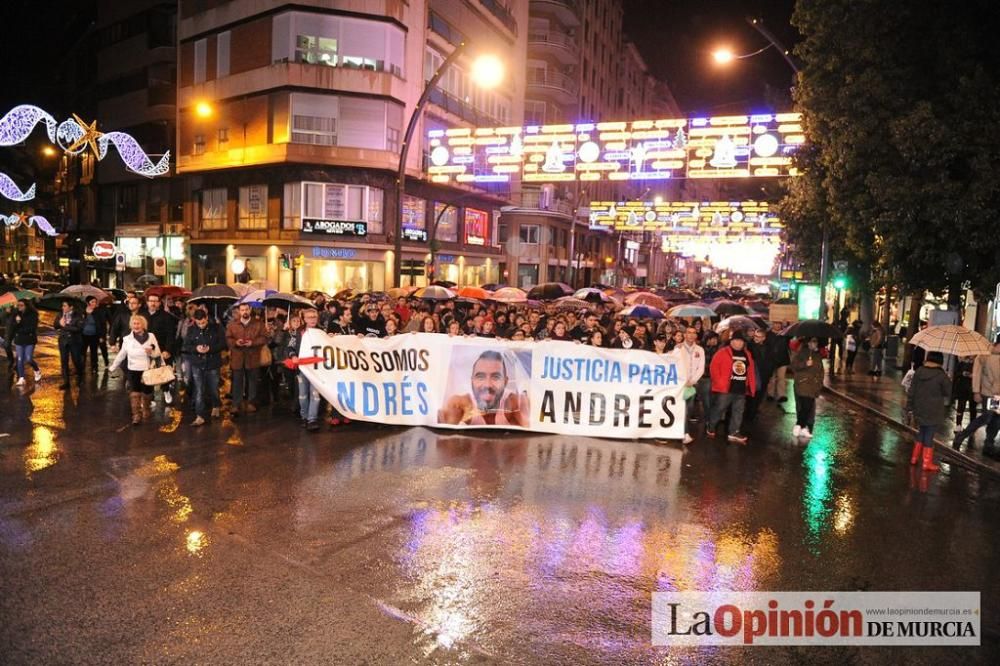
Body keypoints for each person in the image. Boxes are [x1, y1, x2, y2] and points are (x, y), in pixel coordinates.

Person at [438, 350, 530, 427]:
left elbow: (533, 430)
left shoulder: (515, 402)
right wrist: (450, 419)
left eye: (496, 377)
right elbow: (444, 435)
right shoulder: (460, 403)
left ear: (505, 382)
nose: (487, 385)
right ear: (472, 380)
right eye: (480, 377)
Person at [951, 337, 1000, 458]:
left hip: (997, 395)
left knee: (995, 419)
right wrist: (976, 391)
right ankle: (962, 435)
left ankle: (989, 445)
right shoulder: (983, 355)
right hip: (988, 392)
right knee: (987, 417)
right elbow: (977, 374)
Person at [705, 331, 756, 444]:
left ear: (743, 343)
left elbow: (750, 370)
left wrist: (750, 384)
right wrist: (719, 382)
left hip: (741, 388)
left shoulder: (747, 354)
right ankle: (711, 426)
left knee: (738, 411)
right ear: (731, 341)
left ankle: (734, 432)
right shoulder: (723, 352)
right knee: (719, 409)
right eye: (736, 340)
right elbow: (713, 368)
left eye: (740, 341)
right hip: (726, 388)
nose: (738, 343)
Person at [108, 315, 160, 426]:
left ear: (143, 325)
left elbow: (157, 353)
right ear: (131, 325)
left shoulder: (151, 336)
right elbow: (122, 354)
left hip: (147, 370)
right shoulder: (127, 339)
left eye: (138, 323)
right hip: (133, 369)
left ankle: (146, 408)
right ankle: (136, 415)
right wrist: (113, 367)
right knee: (135, 393)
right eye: (134, 324)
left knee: (147, 392)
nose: (136, 326)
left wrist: (151, 352)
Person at [906, 351, 951, 471]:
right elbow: (948, 392)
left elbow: (912, 390)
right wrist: (948, 379)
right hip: (934, 410)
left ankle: (914, 458)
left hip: (919, 407)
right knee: (929, 435)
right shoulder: (941, 375)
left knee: (921, 432)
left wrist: (909, 407)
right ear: (940, 361)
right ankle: (926, 463)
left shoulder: (919, 371)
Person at [182, 309, 226, 426]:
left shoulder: (216, 328)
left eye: (203, 322)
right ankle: (200, 415)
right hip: (197, 364)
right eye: (198, 323)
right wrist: (196, 349)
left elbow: (223, 344)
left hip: (213, 363)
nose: (201, 325)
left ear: (206, 318)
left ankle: (216, 405)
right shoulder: (191, 330)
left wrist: (210, 349)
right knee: (199, 390)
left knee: (213, 388)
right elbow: (186, 346)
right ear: (195, 321)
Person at [226, 303, 267, 416]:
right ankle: (236, 404)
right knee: (237, 381)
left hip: (253, 356)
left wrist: (252, 343)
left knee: (253, 381)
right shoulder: (232, 324)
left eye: (246, 309)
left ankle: (251, 402)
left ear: (250, 310)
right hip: (237, 356)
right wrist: (235, 342)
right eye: (242, 310)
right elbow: (228, 338)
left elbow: (264, 337)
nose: (244, 312)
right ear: (239, 311)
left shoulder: (258, 323)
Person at [143, 293, 179, 405]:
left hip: (161, 350)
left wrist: (168, 350)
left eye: (155, 301)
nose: (153, 303)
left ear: (159, 303)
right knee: (148, 372)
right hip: (145, 350)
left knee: (162, 371)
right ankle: (150, 397)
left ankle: (166, 390)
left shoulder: (166, 317)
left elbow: (170, 335)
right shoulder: (142, 315)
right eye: (151, 301)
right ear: (147, 302)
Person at [292, 308, 324, 432]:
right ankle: (304, 417)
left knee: (315, 395)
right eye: (309, 317)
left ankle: (312, 419)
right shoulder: (299, 332)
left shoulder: (321, 332)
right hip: (303, 368)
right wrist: (293, 356)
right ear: (304, 319)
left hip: (317, 369)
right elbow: (291, 346)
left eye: (314, 317)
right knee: (303, 395)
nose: (312, 319)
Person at [790, 337, 824, 439]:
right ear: (808, 343)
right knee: (805, 406)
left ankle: (803, 428)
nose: (814, 344)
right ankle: (798, 425)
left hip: (813, 385)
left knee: (808, 407)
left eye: (816, 342)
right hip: (803, 383)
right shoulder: (802, 353)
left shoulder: (818, 355)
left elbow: (821, 370)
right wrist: (805, 364)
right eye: (812, 342)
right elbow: (794, 366)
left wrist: (820, 383)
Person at [679, 326, 706, 445]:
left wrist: (693, 380)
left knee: (689, 408)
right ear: (684, 335)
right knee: (682, 408)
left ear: (696, 335)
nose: (691, 335)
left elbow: (701, 367)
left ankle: (682, 431)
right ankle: (684, 433)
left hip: (692, 385)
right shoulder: (678, 348)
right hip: (680, 384)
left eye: (693, 333)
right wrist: (683, 380)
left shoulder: (700, 350)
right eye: (688, 332)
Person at [54, 300, 85, 389]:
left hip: (75, 341)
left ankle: (80, 378)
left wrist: (65, 326)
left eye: (65, 306)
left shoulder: (78, 315)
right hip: (63, 341)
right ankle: (66, 382)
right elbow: (55, 325)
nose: (63, 308)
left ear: (71, 307)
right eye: (62, 306)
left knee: (76, 360)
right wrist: (59, 323)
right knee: (64, 361)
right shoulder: (60, 314)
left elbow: (79, 328)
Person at [11, 298, 40, 386]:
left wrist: (20, 329)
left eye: (21, 305)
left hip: (29, 340)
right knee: (19, 359)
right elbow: (13, 327)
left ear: (26, 306)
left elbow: (32, 328)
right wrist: (17, 322)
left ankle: (37, 370)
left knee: (28, 359)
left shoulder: (33, 314)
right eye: (18, 305)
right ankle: (21, 378)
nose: (19, 307)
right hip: (19, 340)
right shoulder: (16, 314)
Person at [80, 296, 109, 372]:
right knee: (82, 352)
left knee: (94, 351)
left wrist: (102, 336)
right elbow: (79, 323)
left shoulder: (98, 312)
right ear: (88, 303)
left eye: (95, 302)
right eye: (92, 302)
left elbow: (103, 325)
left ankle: (94, 367)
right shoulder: (82, 311)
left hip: (95, 335)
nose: (94, 303)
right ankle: (81, 367)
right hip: (84, 335)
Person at [766, 321, 790, 402]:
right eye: (775, 323)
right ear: (772, 324)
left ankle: (781, 395)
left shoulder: (785, 333)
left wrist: (788, 324)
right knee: (771, 378)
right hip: (770, 359)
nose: (777, 325)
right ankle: (770, 394)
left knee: (781, 378)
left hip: (783, 359)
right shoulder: (767, 334)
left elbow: (791, 335)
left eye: (779, 323)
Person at [952, 355, 977, 435]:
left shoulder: (978, 364)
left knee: (973, 408)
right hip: (962, 387)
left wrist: (974, 376)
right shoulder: (962, 363)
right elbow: (956, 373)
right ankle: (958, 425)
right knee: (960, 406)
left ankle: (972, 427)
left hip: (973, 388)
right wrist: (963, 373)